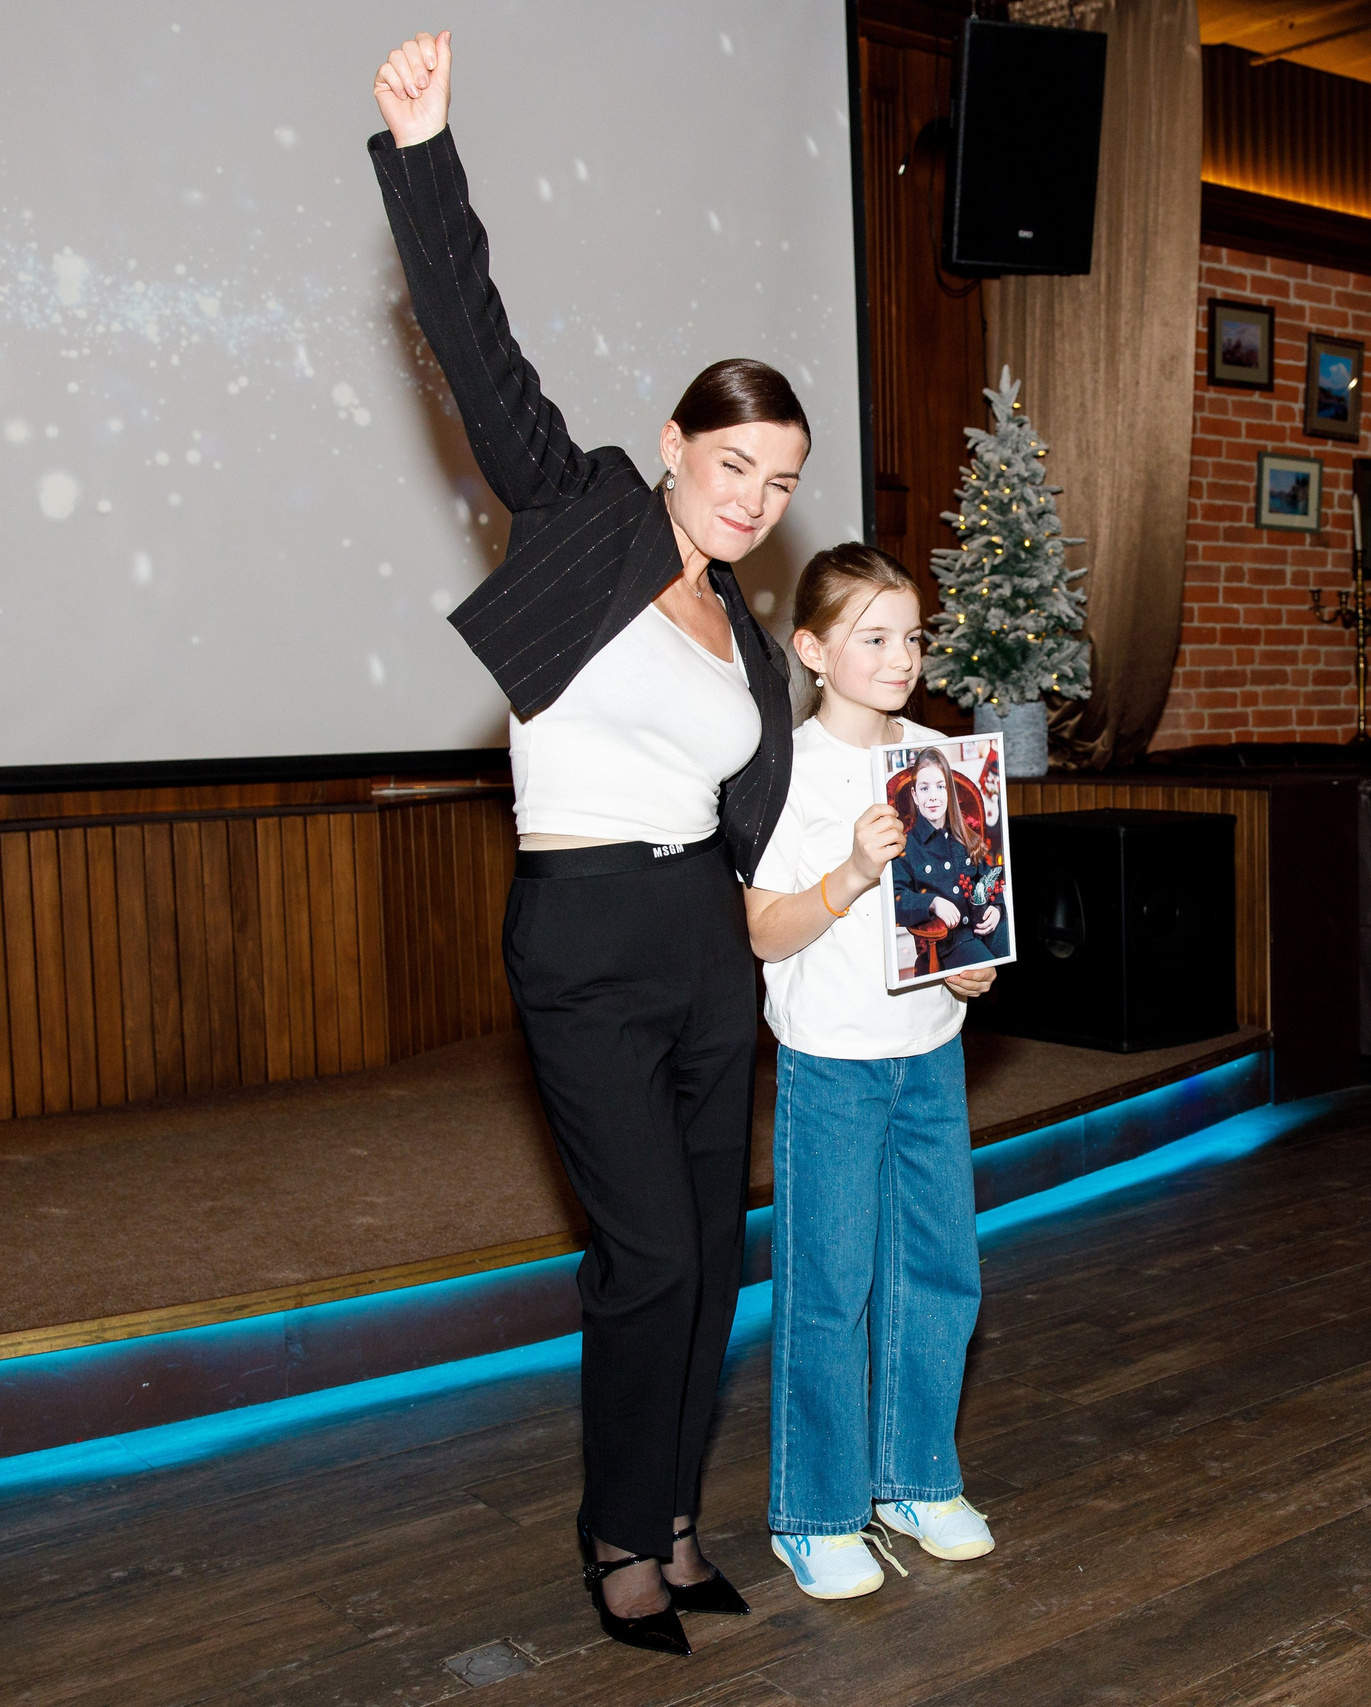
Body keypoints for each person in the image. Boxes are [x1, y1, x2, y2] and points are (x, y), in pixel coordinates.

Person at [368, 31, 803, 1656]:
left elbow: (769, 802)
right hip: (582, 941)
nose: (754, 497)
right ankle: (617, 1537)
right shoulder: (589, 511)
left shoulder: (741, 632)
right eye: (735, 463)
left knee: (709, 1258)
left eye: (780, 480)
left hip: (706, 948)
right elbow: (481, 349)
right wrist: (425, 154)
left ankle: (678, 1520)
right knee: (644, 1255)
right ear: (678, 445)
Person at [743, 544, 999, 1599]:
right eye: (875, 638)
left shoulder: (943, 754)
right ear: (812, 650)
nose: (903, 657)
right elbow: (764, 932)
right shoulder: (784, 770)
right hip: (831, 1067)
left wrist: (975, 966)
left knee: (941, 1274)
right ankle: (815, 1510)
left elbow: (968, 906)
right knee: (828, 1287)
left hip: (929, 1059)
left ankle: (916, 1478)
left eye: (913, 637)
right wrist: (849, 871)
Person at [889, 748, 1007, 974]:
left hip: (987, 925)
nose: (932, 796)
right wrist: (932, 903)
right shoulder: (906, 847)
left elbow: (989, 877)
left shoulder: (964, 835)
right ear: (915, 795)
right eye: (924, 788)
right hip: (953, 942)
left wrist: (997, 908)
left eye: (940, 787)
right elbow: (895, 899)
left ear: (948, 792)